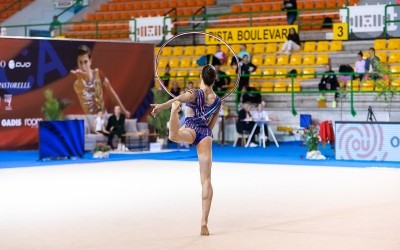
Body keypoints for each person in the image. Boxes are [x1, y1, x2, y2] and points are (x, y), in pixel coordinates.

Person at [150, 65, 222, 236]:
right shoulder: (218, 101)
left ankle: (174, 114)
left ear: (201, 76)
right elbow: (211, 125)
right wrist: (205, 134)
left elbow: (178, 98)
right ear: (215, 79)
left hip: (190, 128)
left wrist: (162, 106)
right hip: (204, 133)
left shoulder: (194, 93)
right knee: (206, 179)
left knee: (174, 136)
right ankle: (204, 222)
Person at [71, 45, 131, 117]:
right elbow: (81, 86)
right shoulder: (77, 83)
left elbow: (112, 93)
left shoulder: (98, 74)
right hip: (91, 120)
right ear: (77, 62)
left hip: (104, 115)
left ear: (90, 61)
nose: (83, 66)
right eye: (80, 62)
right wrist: (80, 77)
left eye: (85, 62)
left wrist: (124, 111)